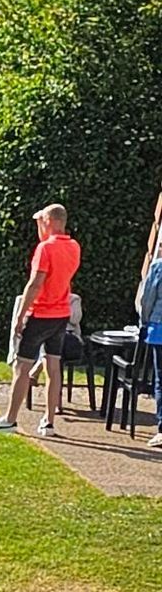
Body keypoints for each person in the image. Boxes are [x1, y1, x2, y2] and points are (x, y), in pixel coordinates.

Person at [0, 204, 81, 436]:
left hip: (41, 314)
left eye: (40, 222)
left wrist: (20, 315)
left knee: (22, 366)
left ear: (48, 220)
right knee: (53, 366)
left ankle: (10, 419)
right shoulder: (74, 246)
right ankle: (48, 421)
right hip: (61, 314)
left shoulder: (45, 249)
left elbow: (35, 284)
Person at [137, 187, 162, 446]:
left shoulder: (158, 267)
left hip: (159, 328)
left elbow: (147, 300)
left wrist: (143, 323)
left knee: (161, 380)